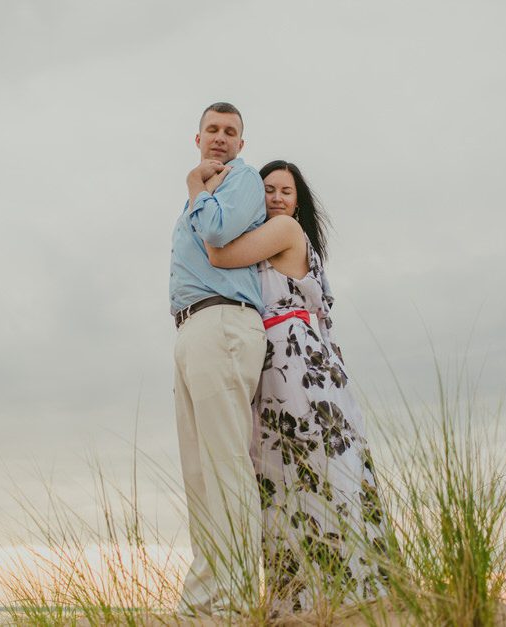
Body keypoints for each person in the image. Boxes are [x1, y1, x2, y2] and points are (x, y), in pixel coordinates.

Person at [205, 160, 392, 615]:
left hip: (297, 363)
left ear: (297, 202)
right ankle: (298, 601)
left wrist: (206, 188)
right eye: (267, 189)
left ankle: (341, 594)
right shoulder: (268, 236)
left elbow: (220, 252)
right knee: (281, 477)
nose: (276, 198)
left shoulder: (285, 230)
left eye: (286, 191)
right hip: (273, 363)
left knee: (314, 472)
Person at [168, 102, 268, 616]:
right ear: (198, 136)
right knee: (200, 475)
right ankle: (203, 602)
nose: (221, 138)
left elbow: (216, 235)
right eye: (213, 129)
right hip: (193, 328)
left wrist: (193, 185)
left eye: (231, 132)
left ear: (241, 144)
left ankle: (232, 604)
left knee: (226, 467)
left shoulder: (241, 180)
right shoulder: (209, 189)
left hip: (224, 322)